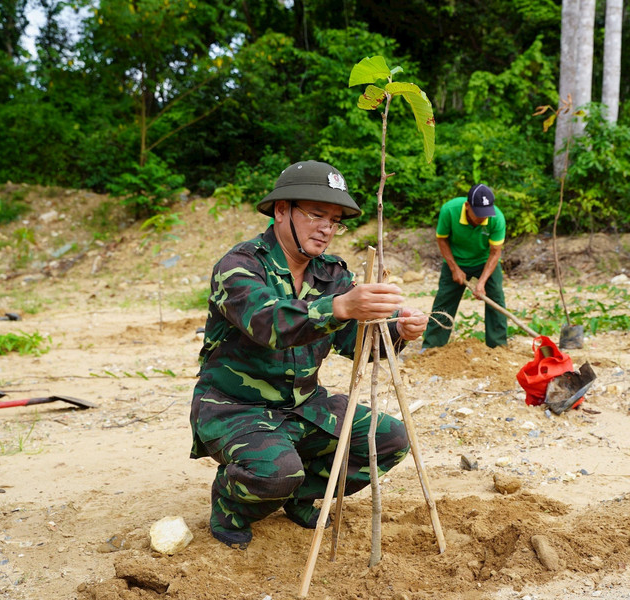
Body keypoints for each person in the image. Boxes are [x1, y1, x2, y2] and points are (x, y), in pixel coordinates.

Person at [190, 160, 428, 550]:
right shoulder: (240, 266)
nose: (327, 229)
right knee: (277, 471)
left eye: (335, 220)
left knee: (389, 440)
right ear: (281, 210)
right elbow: (267, 323)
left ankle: (299, 494)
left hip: (302, 404)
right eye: (317, 214)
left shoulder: (332, 273)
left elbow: (352, 341)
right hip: (235, 407)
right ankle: (232, 504)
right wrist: (341, 307)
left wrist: (396, 331)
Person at [421, 183, 508, 349]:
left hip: (484, 262)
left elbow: (495, 252)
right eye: (478, 214)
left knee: (495, 298)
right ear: (467, 206)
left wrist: (481, 282)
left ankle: (498, 347)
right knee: (444, 301)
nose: (482, 218)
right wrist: (454, 268)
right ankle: (432, 346)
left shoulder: (496, 218)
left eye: (485, 214)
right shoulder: (450, 210)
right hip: (456, 260)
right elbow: (442, 239)